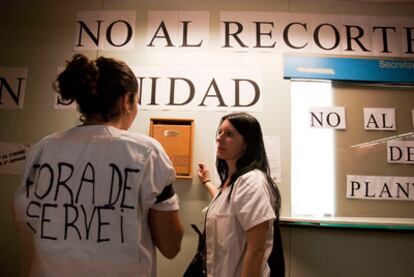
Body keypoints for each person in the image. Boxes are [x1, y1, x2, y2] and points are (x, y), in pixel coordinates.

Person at [13, 54, 183, 277]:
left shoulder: (42, 149)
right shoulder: (147, 151)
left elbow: (25, 224)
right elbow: (171, 247)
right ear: (126, 100)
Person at [198, 112, 284, 277]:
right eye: (220, 132)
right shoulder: (234, 182)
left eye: (229, 134)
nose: (219, 138)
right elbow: (227, 204)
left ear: (247, 144)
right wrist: (207, 182)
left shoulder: (251, 182)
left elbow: (257, 250)